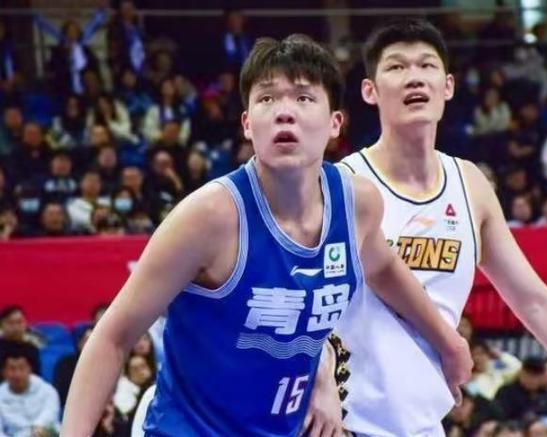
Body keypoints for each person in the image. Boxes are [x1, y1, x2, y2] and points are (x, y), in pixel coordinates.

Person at [61, 34, 472, 436]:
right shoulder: (208, 218)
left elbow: (383, 269)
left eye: (304, 97)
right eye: (267, 98)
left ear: (335, 123)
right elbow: (112, 338)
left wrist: (447, 343)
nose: (284, 112)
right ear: (247, 123)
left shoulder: (356, 204)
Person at [311, 19, 547, 437]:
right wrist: (319, 378)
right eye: (397, 67)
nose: (414, 77)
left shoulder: (470, 185)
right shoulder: (343, 183)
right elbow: (302, 300)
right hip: (343, 422)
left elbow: (535, 302)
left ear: (448, 86)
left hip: (422, 424)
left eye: (426, 65)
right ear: (370, 91)